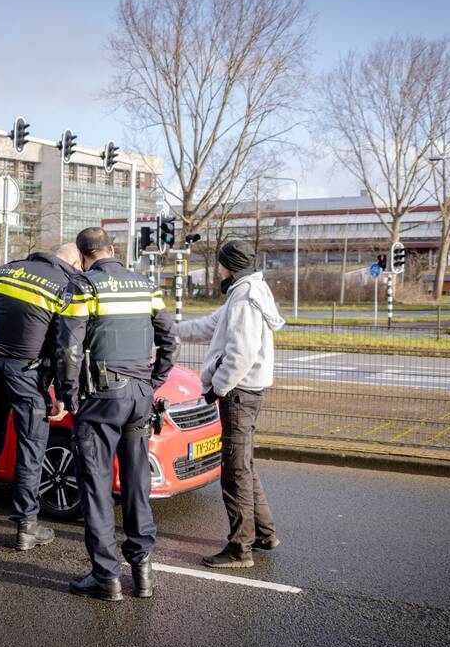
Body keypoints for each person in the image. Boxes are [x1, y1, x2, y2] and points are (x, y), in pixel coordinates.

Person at [55, 227, 177, 601]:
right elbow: (169, 336)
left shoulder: (83, 287)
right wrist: (155, 379)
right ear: (112, 249)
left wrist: (67, 394)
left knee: (96, 486)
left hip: (101, 398)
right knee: (137, 484)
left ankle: (106, 577)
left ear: (83, 254)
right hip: (141, 396)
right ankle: (143, 574)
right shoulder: (145, 285)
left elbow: (68, 348)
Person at [0, 243, 82, 550]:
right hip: (28, 376)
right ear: (73, 261)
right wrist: (62, 393)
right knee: (30, 449)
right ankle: (26, 527)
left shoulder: (5, 271)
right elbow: (64, 345)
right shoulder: (64, 286)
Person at [176, 239, 285, 568]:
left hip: (240, 394)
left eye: (221, 264)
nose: (218, 269)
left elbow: (241, 353)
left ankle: (240, 549)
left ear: (230, 266)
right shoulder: (248, 289)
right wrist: (167, 327)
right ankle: (265, 533)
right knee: (245, 465)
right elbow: (210, 326)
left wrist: (217, 389)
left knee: (235, 471)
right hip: (247, 392)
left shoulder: (244, 297)